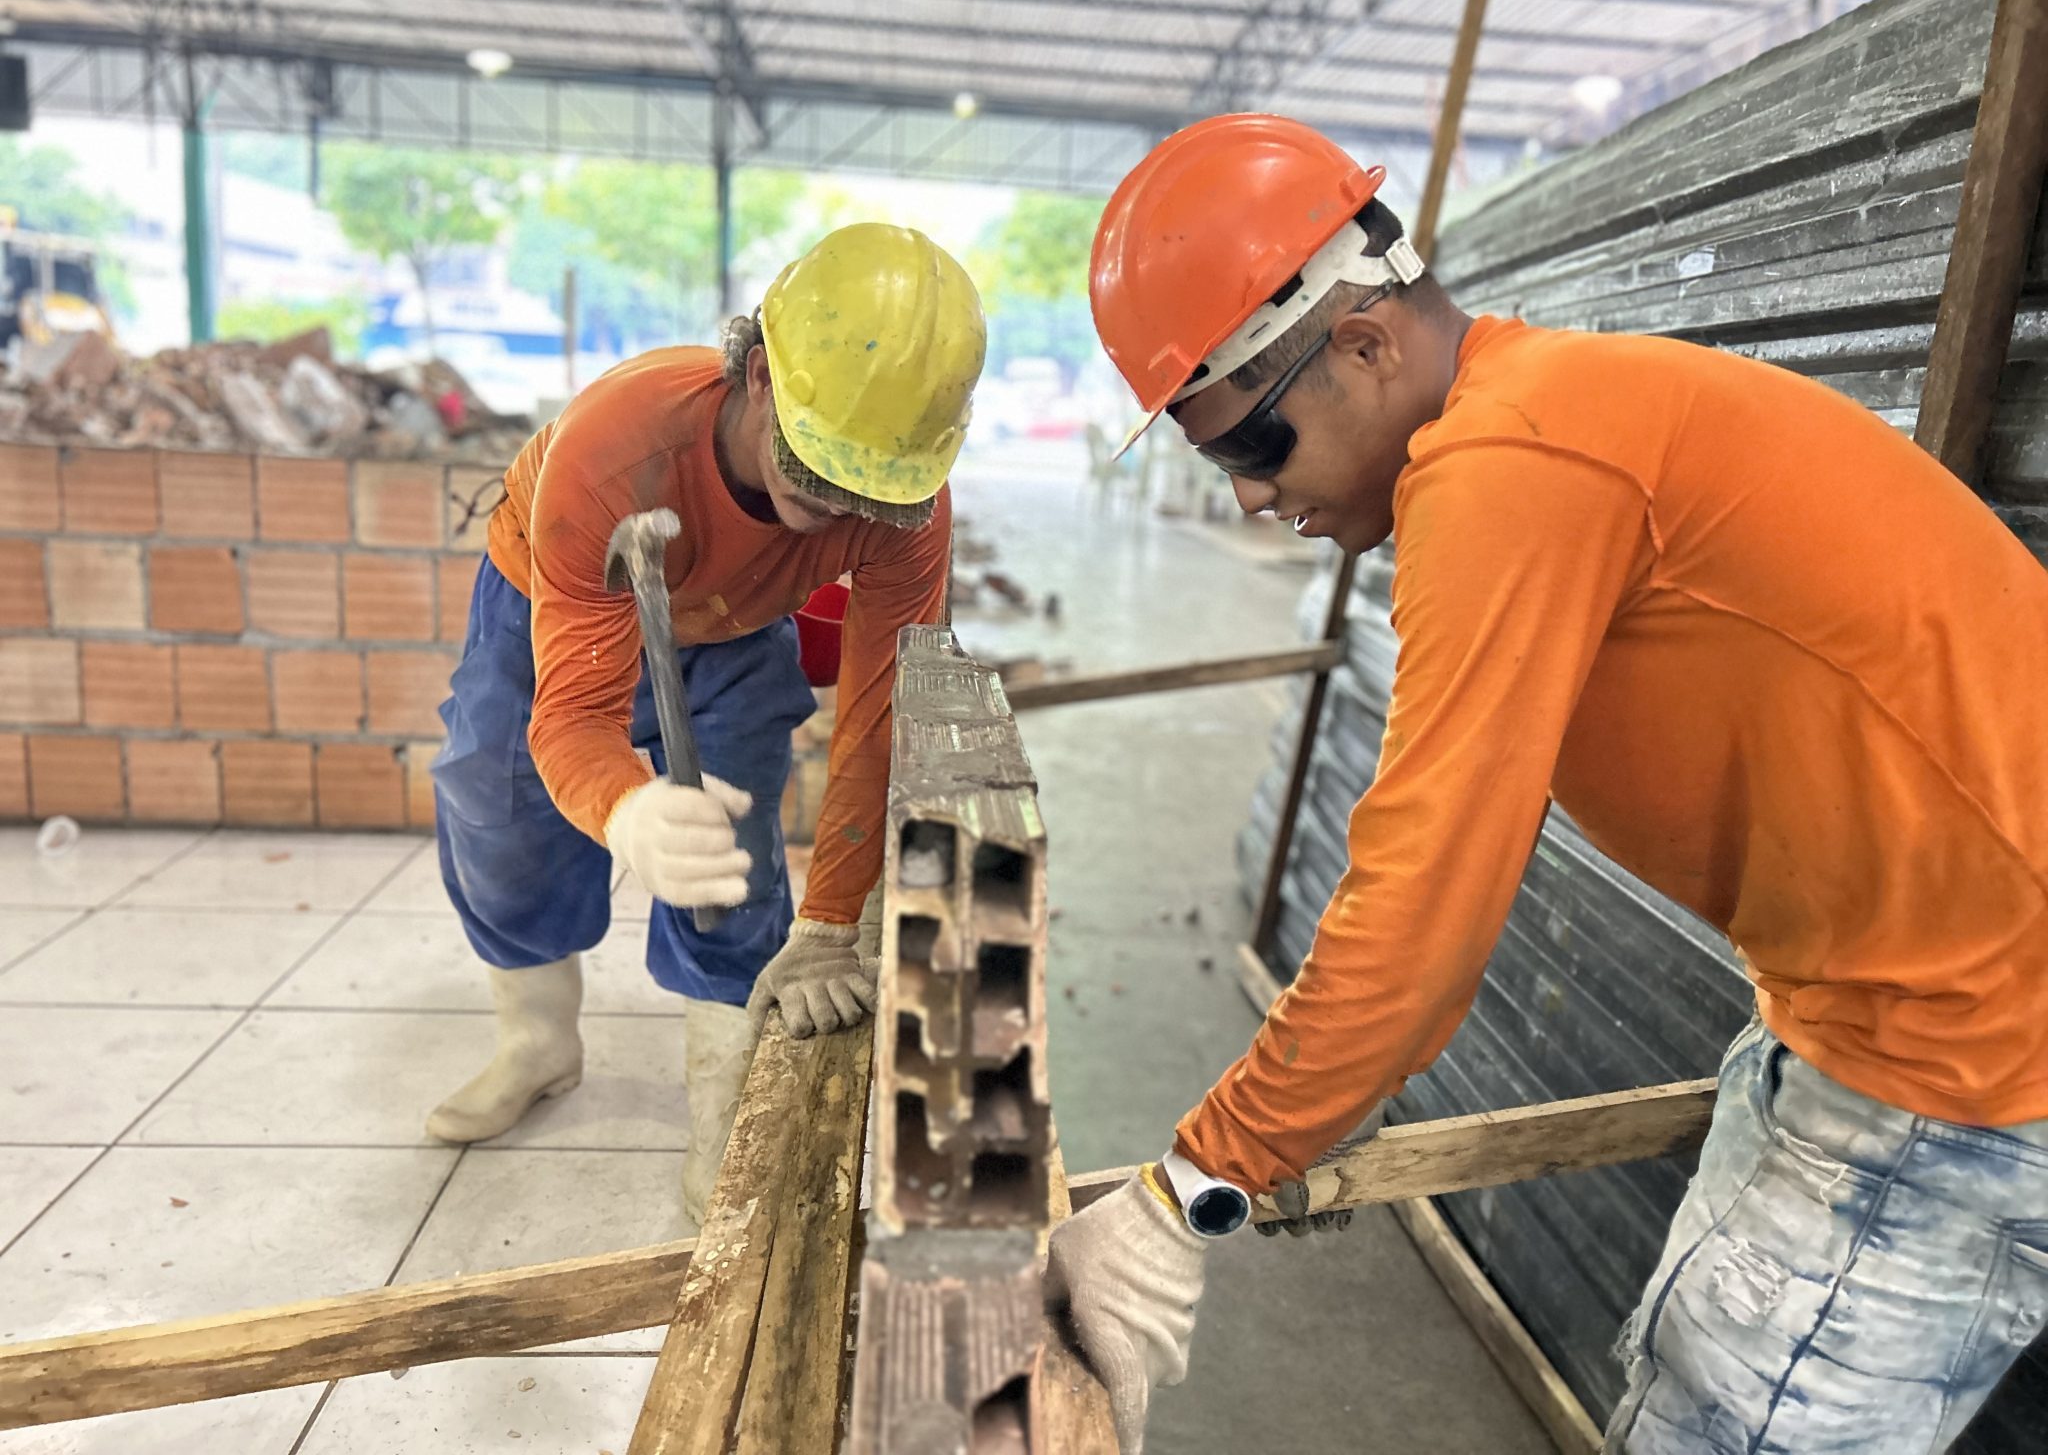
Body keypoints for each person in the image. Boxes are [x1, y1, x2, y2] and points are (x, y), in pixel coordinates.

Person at [1046, 113, 2048, 1453]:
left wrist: (1192, 1193)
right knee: (1691, 1374)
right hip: (1871, 1007)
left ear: (1361, 343)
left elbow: (1422, 913)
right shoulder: (1542, 417)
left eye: (1251, 450)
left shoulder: (1511, 462)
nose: (1247, 501)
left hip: (1976, 1044)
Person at [425, 223, 985, 1227]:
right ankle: (537, 1040)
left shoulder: (908, 507)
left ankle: (721, 1116)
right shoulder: (616, 450)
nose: (836, 509)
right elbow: (575, 718)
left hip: (740, 622)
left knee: (733, 856)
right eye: (818, 467)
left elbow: (875, 712)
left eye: (870, 488)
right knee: (498, 801)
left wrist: (828, 925)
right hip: (553, 590)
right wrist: (622, 808)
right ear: (760, 375)